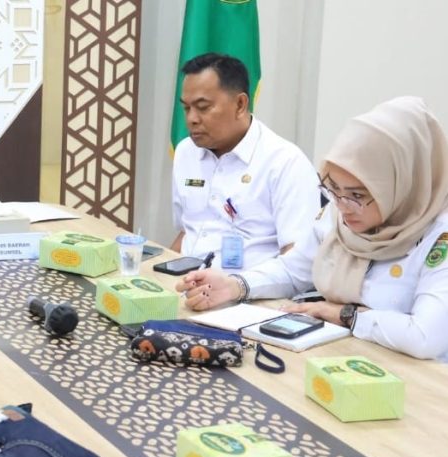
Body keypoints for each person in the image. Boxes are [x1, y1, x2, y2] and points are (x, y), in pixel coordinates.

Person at [177, 96, 448, 361]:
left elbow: (425, 337)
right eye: (334, 189)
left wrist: (345, 314)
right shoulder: (338, 215)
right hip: (344, 357)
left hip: (420, 378)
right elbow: (294, 269)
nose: (343, 206)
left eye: (357, 195)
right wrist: (236, 285)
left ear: (403, 184)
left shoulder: (439, 235)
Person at [171, 53, 320, 271]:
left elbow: (299, 262)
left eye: (202, 107)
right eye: (186, 108)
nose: (191, 119)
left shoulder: (285, 163)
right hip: (186, 282)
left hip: (247, 288)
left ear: (240, 104)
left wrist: (239, 286)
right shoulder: (186, 152)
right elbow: (187, 231)